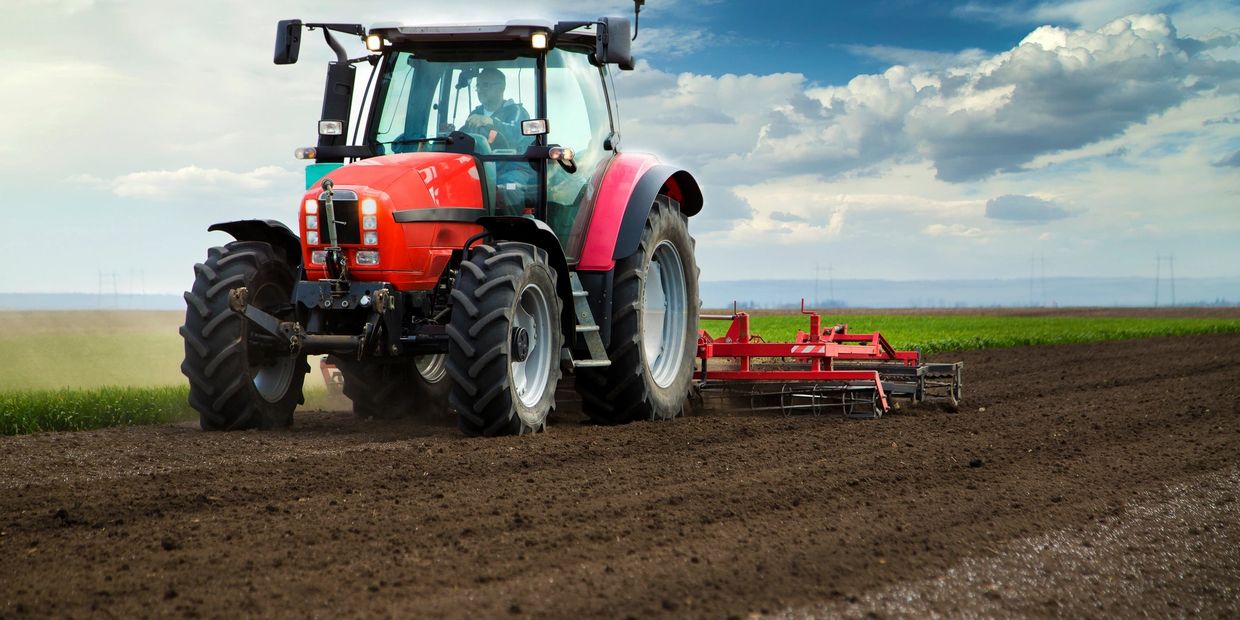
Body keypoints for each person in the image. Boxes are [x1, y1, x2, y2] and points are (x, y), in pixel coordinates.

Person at [463, 68, 530, 151]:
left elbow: (515, 137)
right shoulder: (475, 113)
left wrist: (491, 122)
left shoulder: (516, 111)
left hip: (509, 162)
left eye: (485, 85)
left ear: (501, 87)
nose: (480, 90)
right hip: (478, 162)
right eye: (478, 86)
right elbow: (463, 137)